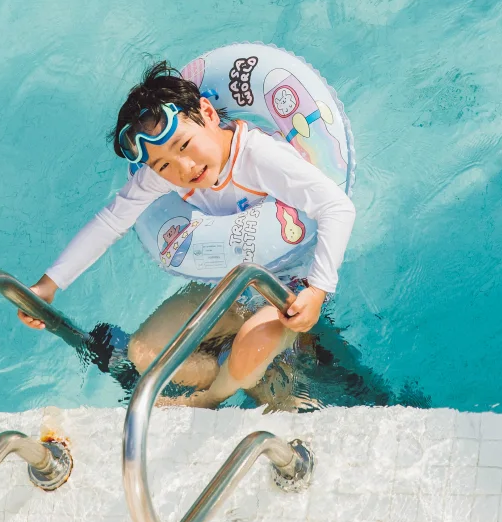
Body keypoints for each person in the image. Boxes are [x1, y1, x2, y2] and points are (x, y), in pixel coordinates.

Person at [20, 63, 356, 407]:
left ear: (207, 113)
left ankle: (208, 398)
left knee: (252, 344)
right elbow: (111, 221)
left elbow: (337, 207)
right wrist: (49, 285)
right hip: (230, 291)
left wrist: (317, 291)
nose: (184, 168)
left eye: (185, 145)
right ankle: (235, 373)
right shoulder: (164, 170)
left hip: (285, 293)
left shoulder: (259, 157)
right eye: (164, 165)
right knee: (142, 351)